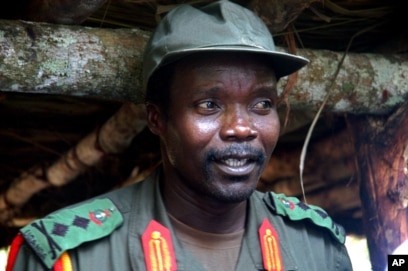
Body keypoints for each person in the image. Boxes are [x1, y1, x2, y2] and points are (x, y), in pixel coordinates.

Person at [6, 1, 353, 270]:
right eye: (208, 104)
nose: (242, 128)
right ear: (157, 119)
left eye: (262, 103)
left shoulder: (319, 247)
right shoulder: (68, 257)